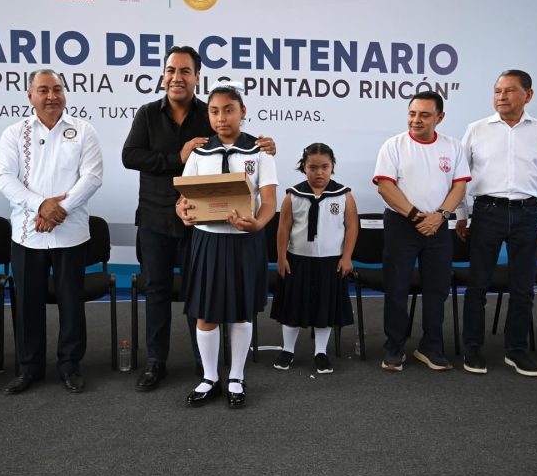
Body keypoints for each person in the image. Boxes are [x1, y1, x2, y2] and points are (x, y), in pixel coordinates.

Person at [122, 46, 275, 392]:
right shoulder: (148, 114)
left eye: (185, 71)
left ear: (196, 77)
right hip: (156, 218)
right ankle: (155, 362)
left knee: (199, 293)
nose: (177, 77)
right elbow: (129, 156)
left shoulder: (210, 113)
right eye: (171, 70)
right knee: (157, 290)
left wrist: (266, 146)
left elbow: (240, 145)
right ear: (164, 75)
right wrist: (177, 157)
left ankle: (205, 365)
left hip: (204, 223)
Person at [0, 69, 103, 394]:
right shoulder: (14, 133)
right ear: (30, 96)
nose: (51, 96)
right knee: (28, 303)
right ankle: (29, 368)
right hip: (28, 233)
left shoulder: (83, 130)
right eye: (43, 90)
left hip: (70, 233)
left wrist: (59, 211)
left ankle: (70, 366)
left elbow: (92, 177)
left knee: (71, 303)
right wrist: (41, 205)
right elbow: (4, 178)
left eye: (57, 89)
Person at [456, 70, 537, 377]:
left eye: (509, 90)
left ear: (528, 95)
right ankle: (473, 348)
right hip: (486, 212)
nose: (501, 97)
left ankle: (516, 350)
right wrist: (462, 215)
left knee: (523, 286)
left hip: (528, 214)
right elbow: (460, 177)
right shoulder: (476, 129)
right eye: (497, 91)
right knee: (478, 284)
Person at [177, 82, 277, 408]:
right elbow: (184, 198)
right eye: (214, 111)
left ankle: (236, 376)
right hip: (207, 241)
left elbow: (269, 201)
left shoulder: (260, 152)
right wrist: (183, 212)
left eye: (229, 110)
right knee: (206, 314)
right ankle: (210, 378)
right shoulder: (199, 153)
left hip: (245, 242)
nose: (221, 118)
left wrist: (258, 224)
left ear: (242, 112)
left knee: (240, 314)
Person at [373, 91, 470, 372]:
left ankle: (431, 347)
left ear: (440, 117)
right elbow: (385, 187)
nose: (416, 120)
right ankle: (394, 348)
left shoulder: (453, 147)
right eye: (412, 113)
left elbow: (459, 187)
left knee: (437, 290)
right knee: (397, 287)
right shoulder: (394, 145)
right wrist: (416, 216)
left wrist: (440, 216)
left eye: (425, 115)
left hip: (438, 226)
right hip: (402, 225)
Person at [270, 143, 358, 374]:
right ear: (304, 167)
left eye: (324, 167)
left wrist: (347, 257)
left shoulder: (344, 195)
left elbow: (351, 227)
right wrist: (281, 257)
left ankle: (320, 352)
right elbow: (283, 228)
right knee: (293, 306)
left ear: (332, 166)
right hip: (297, 261)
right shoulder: (293, 195)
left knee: (324, 307)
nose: (319, 172)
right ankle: (288, 350)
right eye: (313, 167)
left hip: (331, 262)